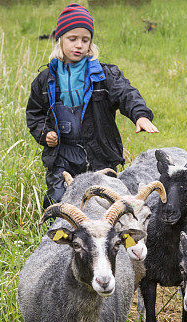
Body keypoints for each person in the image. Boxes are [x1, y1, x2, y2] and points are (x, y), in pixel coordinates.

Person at [26, 3, 159, 208]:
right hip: (62, 157)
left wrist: (140, 115)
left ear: (90, 43)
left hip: (99, 155)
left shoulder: (104, 75)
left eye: (85, 40)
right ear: (60, 39)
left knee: (104, 204)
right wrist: (45, 134)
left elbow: (126, 94)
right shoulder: (45, 79)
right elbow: (35, 114)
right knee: (59, 202)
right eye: (72, 39)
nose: (79, 45)